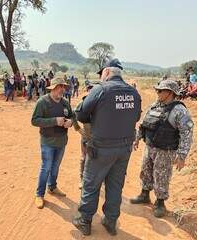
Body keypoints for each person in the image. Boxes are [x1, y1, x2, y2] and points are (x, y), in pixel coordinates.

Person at [72, 59, 142, 236]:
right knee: (115, 186)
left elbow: (80, 114)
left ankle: (84, 221)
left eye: (102, 73)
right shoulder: (134, 93)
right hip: (124, 149)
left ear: (107, 73)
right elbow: (135, 117)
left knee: (91, 184)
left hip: (101, 149)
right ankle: (110, 221)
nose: (101, 76)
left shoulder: (101, 90)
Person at [131, 79, 194, 218]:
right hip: (150, 146)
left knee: (161, 175)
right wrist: (137, 138)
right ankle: (144, 194)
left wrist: (182, 156)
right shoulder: (154, 106)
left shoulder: (179, 110)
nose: (157, 92)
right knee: (146, 170)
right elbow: (144, 124)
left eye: (160, 90)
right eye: (157, 90)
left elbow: (187, 133)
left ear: (169, 93)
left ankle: (160, 202)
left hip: (166, 150)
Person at [31, 77, 74, 209]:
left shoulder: (65, 103)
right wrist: (54, 121)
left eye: (63, 87)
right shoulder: (42, 102)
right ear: (53, 88)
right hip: (48, 141)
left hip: (61, 141)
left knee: (55, 166)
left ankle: (52, 187)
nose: (62, 89)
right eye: (59, 87)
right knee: (46, 168)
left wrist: (70, 122)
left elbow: (72, 116)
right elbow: (35, 120)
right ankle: (39, 194)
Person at [73, 81, 99, 190]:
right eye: (90, 89)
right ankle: (82, 179)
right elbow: (73, 114)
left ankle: (96, 180)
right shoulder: (83, 102)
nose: (91, 91)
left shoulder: (102, 103)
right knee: (84, 158)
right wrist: (77, 128)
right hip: (86, 135)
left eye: (94, 89)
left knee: (98, 157)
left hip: (99, 135)